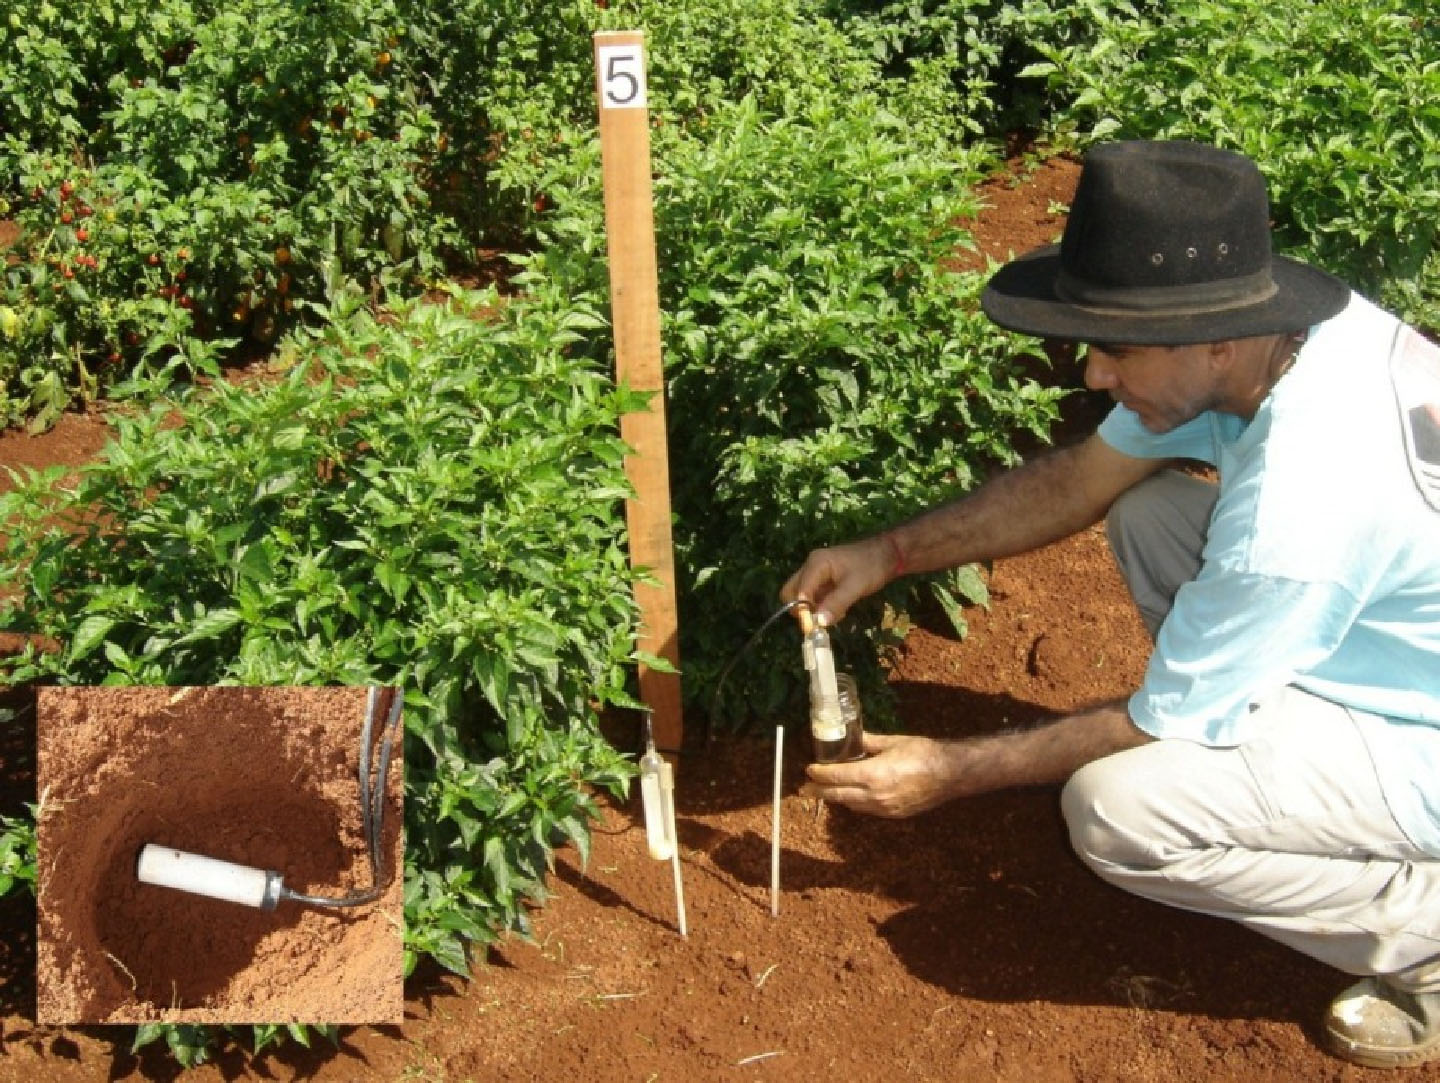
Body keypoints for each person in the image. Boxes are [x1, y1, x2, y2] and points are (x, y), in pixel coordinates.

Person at [781, 139, 1440, 1070]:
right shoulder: (1282, 339)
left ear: (1215, 337)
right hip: (1395, 636)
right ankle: (1261, 712)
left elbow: (1150, 724)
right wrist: (887, 553)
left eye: (1116, 348)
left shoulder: (1304, 500)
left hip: (1423, 740)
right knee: (1152, 511)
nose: (1093, 374)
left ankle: (1423, 931)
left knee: (1117, 812)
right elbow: (1083, 479)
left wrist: (949, 770)